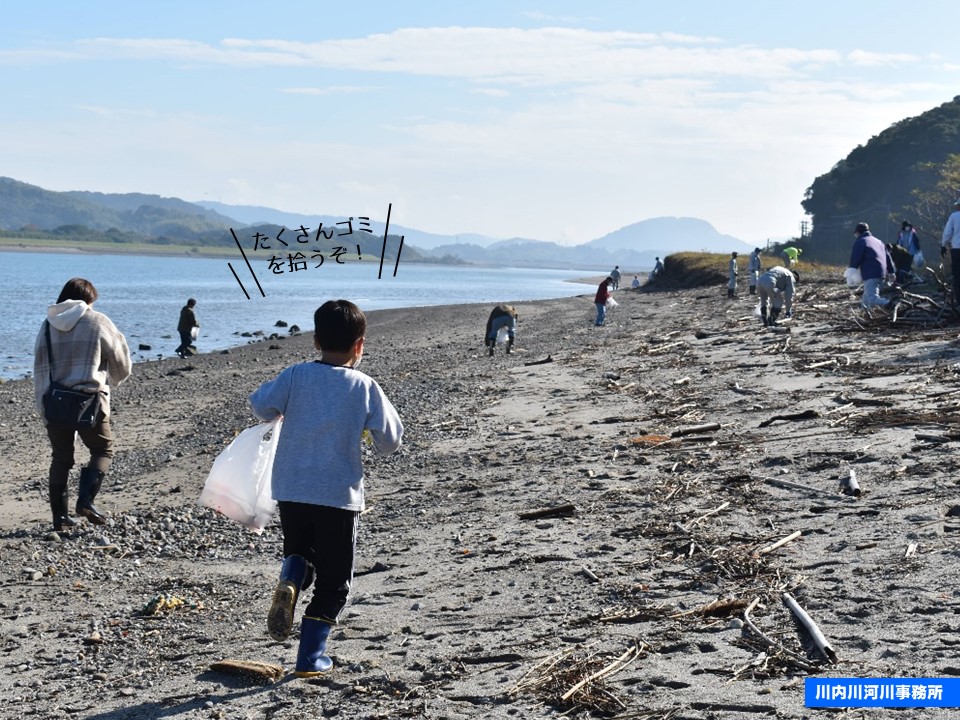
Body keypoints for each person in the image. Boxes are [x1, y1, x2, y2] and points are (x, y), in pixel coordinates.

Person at [250, 299, 403, 676]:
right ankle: (310, 658)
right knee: (335, 583)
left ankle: (292, 576)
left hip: (291, 489)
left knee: (302, 554)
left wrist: (285, 408)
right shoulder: (364, 386)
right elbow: (391, 440)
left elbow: (259, 406)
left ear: (316, 340)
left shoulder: (296, 375)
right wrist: (369, 436)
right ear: (360, 345)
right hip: (338, 495)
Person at [33, 278, 132, 531]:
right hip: (90, 402)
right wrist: (112, 380)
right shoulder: (98, 321)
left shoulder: (47, 325)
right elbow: (122, 362)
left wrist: (43, 406)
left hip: (54, 402)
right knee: (102, 450)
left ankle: (60, 519)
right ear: (89, 299)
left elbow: (40, 369)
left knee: (61, 459)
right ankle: (85, 501)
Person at [849, 222, 896, 308]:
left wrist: (852, 270)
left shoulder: (861, 242)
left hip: (871, 274)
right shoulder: (879, 241)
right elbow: (888, 257)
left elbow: (856, 258)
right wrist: (891, 271)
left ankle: (889, 304)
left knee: (872, 298)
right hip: (882, 274)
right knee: (866, 300)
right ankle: (863, 313)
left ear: (858, 232)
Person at [941, 198, 960, 307]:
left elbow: (947, 232)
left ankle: (959, 302)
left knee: (957, 276)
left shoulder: (954, 216)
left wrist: (943, 245)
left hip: (957, 249)